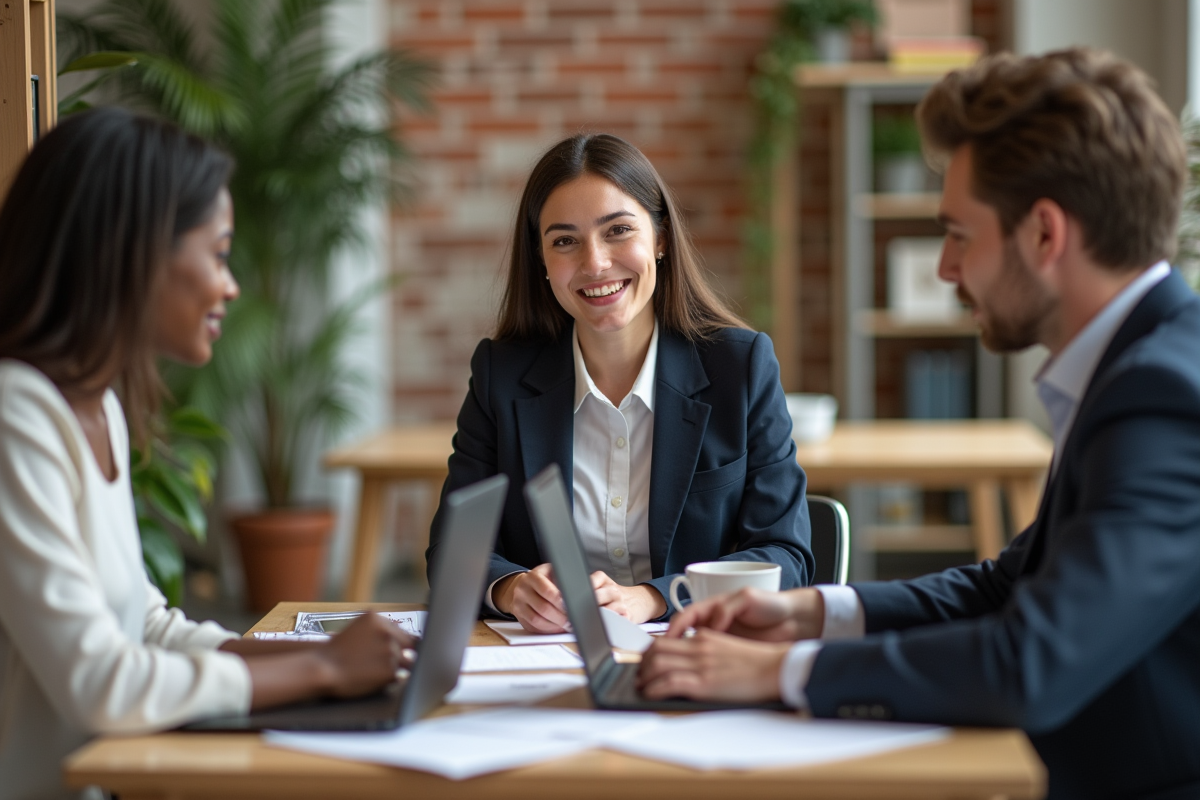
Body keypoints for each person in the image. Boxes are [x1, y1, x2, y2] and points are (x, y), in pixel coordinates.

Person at [638, 48, 1200, 799]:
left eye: (959, 233)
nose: (944, 268)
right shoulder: (1142, 366)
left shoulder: (1163, 397)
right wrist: (808, 613)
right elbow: (1008, 586)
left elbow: (1029, 663)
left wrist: (778, 671)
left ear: (1045, 234)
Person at [0, 107, 415, 800]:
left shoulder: (96, 406)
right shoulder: (16, 415)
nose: (231, 286)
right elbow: (98, 681)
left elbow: (144, 626)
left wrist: (316, 654)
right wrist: (321, 672)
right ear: (133, 253)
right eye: (218, 254)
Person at [425, 133, 814, 632]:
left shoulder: (739, 368)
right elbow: (453, 550)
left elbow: (785, 556)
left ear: (661, 238)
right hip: (548, 656)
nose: (595, 263)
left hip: (696, 649)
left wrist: (653, 598)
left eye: (618, 231)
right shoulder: (501, 375)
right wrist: (511, 588)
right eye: (564, 241)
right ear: (541, 260)